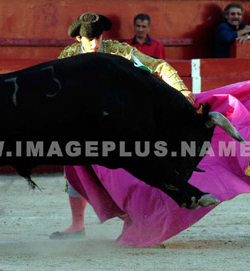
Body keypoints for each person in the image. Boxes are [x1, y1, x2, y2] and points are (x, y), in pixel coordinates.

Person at [50, 12, 194, 239]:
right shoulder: (68, 56)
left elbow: (156, 65)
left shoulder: (118, 51)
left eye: (98, 38)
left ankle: (133, 221)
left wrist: (180, 87)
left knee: (118, 173)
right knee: (74, 168)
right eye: (90, 39)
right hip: (84, 123)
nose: (95, 44)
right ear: (79, 39)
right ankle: (77, 226)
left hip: (117, 122)